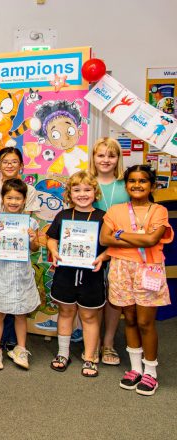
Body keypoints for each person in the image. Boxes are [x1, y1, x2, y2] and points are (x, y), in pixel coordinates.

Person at [100, 165, 173, 396]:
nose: (137, 185)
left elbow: (152, 240)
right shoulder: (115, 210)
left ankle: (151, 371)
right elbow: (104, 238)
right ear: (126, 185)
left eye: (143, 181)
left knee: (145, 322)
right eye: (132, 181)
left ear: (152, 185)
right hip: (121, 268)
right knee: (129, 318)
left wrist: (119, 235)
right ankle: (135, 369)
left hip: (148, 269)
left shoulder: (158, 210)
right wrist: (135, 238)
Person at [47, 171, 109, 377]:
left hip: (91, 276)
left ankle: (90, 357)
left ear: (95, 192)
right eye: (77, 190)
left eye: (87, 189)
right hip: (65, 274)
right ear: (69, 194)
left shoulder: (103, 218)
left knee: (89, 316)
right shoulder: (63, 215)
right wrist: (54, 250)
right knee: (65, 313)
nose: (82, 194)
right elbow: (51, 238)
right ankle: (63, 353)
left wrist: (103, 257)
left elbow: (111, 247)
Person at [0, 179, 40, 370]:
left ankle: (21, 348)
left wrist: (33, 239)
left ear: (24, 200)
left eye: (18, 198)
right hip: (2, 272)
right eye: (9, 198)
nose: (14, 202)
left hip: (22, 273)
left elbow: (35, 248)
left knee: (21, 313)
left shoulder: (30, 222)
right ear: (3, 199)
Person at [89, 137, 129, 367]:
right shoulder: (87, 182)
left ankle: (108, 342)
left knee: (114, 298)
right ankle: (92, 343)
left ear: (118, 159)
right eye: (101, 155)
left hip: (118, 248)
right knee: (92, 296)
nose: (106, 160)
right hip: (89, 248)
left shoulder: (125, 186)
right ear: (94, 157)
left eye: (111, 155)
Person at [0, 146, 41, 212]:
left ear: (21, 165)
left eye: (14, 162)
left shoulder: (29, 190)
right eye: (5, 162)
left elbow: (27, 216)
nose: (9, 165)